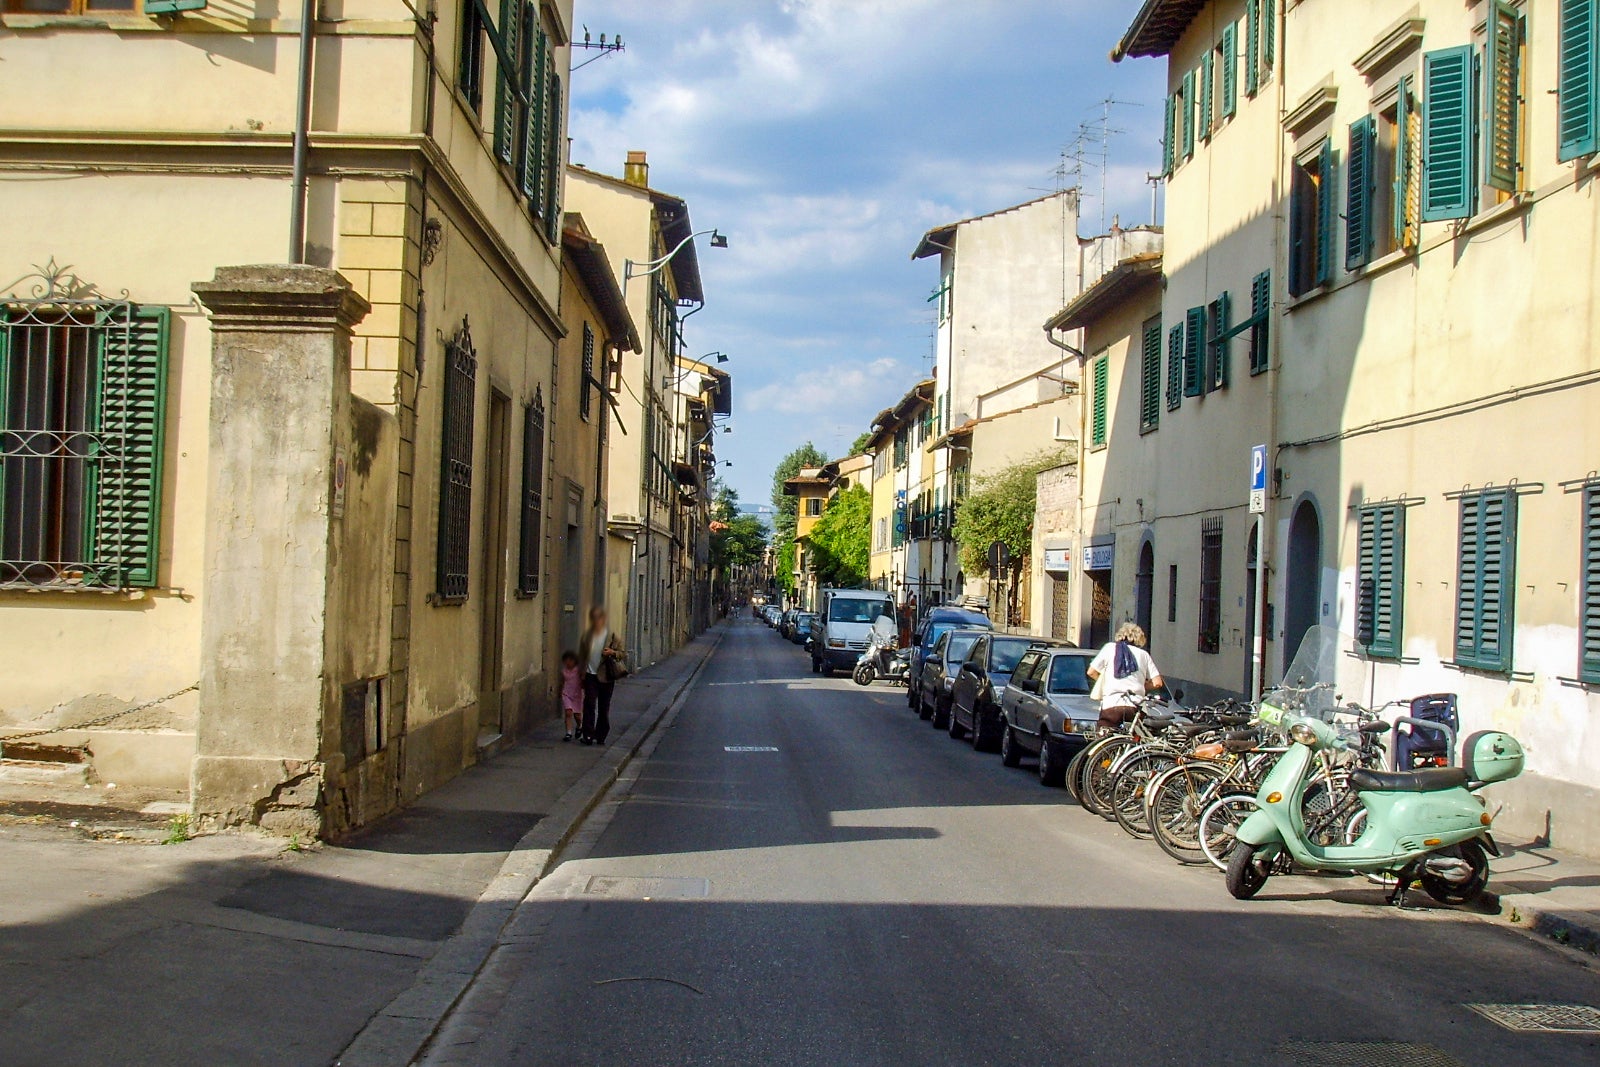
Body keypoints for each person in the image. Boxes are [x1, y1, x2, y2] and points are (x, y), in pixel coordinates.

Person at [1086, 622, 1164, 732]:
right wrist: (1142, 685)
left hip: (1112, 704)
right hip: (1135, 706)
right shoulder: (1144, 654)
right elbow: (1157, 682)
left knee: (1104, 740)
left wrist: (1105, 682)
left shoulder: (1109, 648)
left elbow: (1091, 672)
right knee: (1135, 740)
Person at [578, 606, 626, 746]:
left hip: (606, 676)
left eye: (599, 618)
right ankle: (587, 734)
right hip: (590, 675)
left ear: (603, 620)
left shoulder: (612, 637)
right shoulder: (587, 636)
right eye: (594, 618)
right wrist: (581, 672)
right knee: (589, 704)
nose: (596, 621)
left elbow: (623, 654)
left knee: (604, 707)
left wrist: (612, 652)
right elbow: (582, 655)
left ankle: (601, 735)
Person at [559, 650, 582, 742]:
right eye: (566, 661)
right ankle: (568, 732)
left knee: (577, 715)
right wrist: (559, 691)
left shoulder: (578, 670)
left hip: (577, 695)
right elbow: (562, 682)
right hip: (567, 693)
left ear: (574, 661)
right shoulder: (564, 671)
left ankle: (579, 726)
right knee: (568, 712)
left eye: (570, 661)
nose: (568, 663)